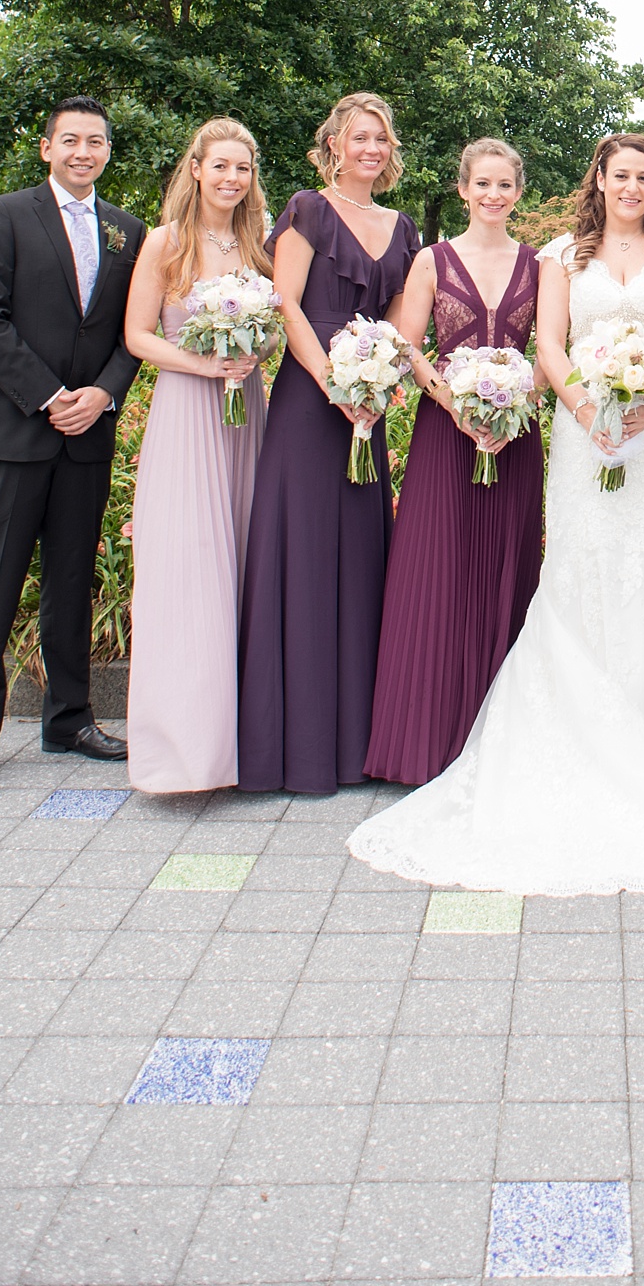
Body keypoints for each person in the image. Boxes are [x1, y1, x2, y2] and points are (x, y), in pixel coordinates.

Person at [349, 132, 644, 894]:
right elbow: (548, 342)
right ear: (598, 178)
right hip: (582, 429)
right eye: (618, 174)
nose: (630, 187)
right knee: (581, 559)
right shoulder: (563, 252)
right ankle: (572, 732)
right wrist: (585, 407)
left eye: (643, 176)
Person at [0, 97, 145, 801]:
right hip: (12, 433)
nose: (83, 152)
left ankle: (69, 719)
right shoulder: (5, 216)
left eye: (95, 141)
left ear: (107, 152)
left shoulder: (127, 231)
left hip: (86, 437)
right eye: (71, 141)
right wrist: (49, 394)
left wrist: (102, 394)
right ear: (46, 148)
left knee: (70, 585)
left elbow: (132, 331)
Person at [236, 93, 421, 795]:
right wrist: (334, 382)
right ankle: (297, 746)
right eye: (357, 137)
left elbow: (402, 317)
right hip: (312, 406)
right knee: (306, 558)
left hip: (367, 409)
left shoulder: (401, 227)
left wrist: (381, 380)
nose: (370, 148)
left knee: (361, 559)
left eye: (380, 138)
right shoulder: (307, 209)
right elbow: (286, 302)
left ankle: (355, 746)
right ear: (334, 145)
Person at [364, 138, 545, 784]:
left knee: (504, 574)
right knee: (438, 577)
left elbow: (548, 356)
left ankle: (502, 742)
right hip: (446, 438)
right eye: (483, 184)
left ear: (518, 192)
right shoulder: (431, 261)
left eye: (506, 185)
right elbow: (408, 348)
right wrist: (455, 402)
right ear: (464, 189)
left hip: (515, 441)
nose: (494, 195)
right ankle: (427, 741)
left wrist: (517, 405)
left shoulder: (539, 265)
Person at [122, 118, 273, 794]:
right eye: (221, 167)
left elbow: (273, 327)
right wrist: (204, 366)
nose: (231, 179)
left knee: (240, 561)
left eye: (242, 169)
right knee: (187, 569)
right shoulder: (166, 244)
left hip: (248, 415)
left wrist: (251, 355)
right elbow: (136, 336)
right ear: (196, 169)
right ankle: (181, 754)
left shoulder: (257, 245)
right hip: (188, 413)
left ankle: (240, 743)